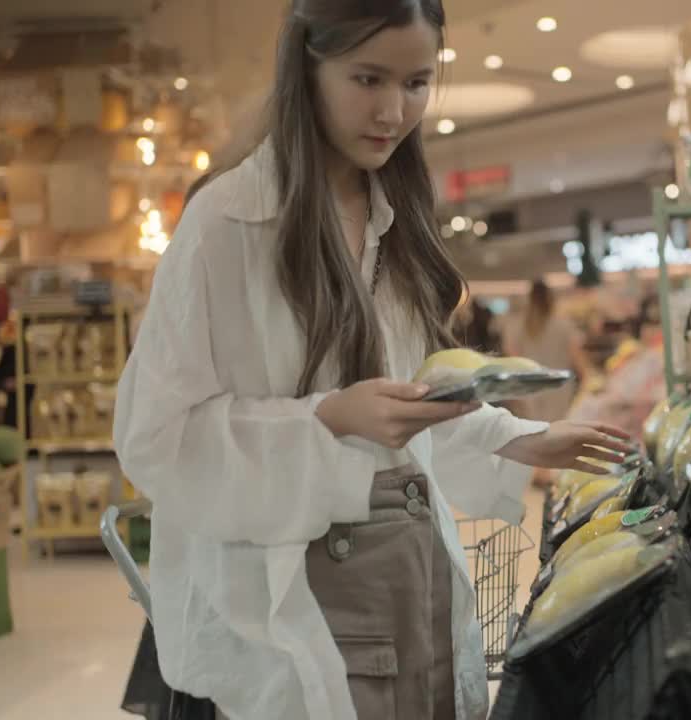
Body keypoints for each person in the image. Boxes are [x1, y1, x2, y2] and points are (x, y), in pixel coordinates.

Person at [112, 3, 630, 719]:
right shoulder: (225, 225)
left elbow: (417, 403)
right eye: (367, 78)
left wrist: (525, 440)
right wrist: (324, 419)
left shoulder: (398, 217)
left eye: (417, 83)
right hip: (291, 602)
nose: (393, 110)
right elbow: (158, 436)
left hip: (409, 584)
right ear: (307, 65)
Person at [501, 279, 586, 424]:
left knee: (535, 432)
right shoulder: (563, 324)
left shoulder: (516, 326)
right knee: (559, 430)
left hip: (529, 386)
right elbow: (576, 357)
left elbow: (512, 360)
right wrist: (588, 379)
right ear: (551, 299)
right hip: (559, 386)